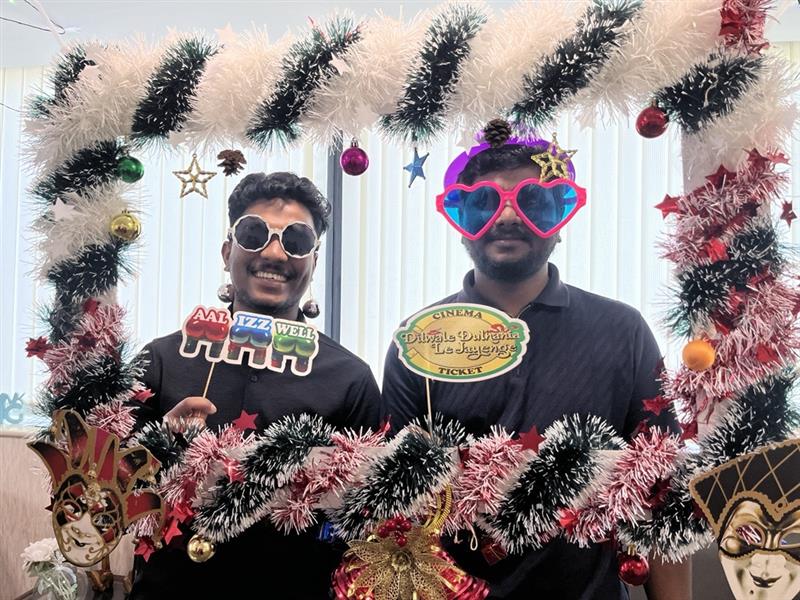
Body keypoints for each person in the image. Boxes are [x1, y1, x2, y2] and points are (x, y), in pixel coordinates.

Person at [381, 127, 691, 600]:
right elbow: (398, 512)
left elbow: (663, 493)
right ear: (461, 219)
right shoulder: (419, 341)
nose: (507, 215)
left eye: (532, 202)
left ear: (560, 219)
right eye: (485, 203)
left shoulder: (621, 331)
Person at [129, 172, 380, 599]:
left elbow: (370, 522)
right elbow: (110, 494)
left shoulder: (350, 379)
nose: (274, 252)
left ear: (314, 261)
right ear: (228, 251)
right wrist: (159, 445)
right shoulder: (162, 360)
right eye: (254, 234)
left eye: (296, 240)